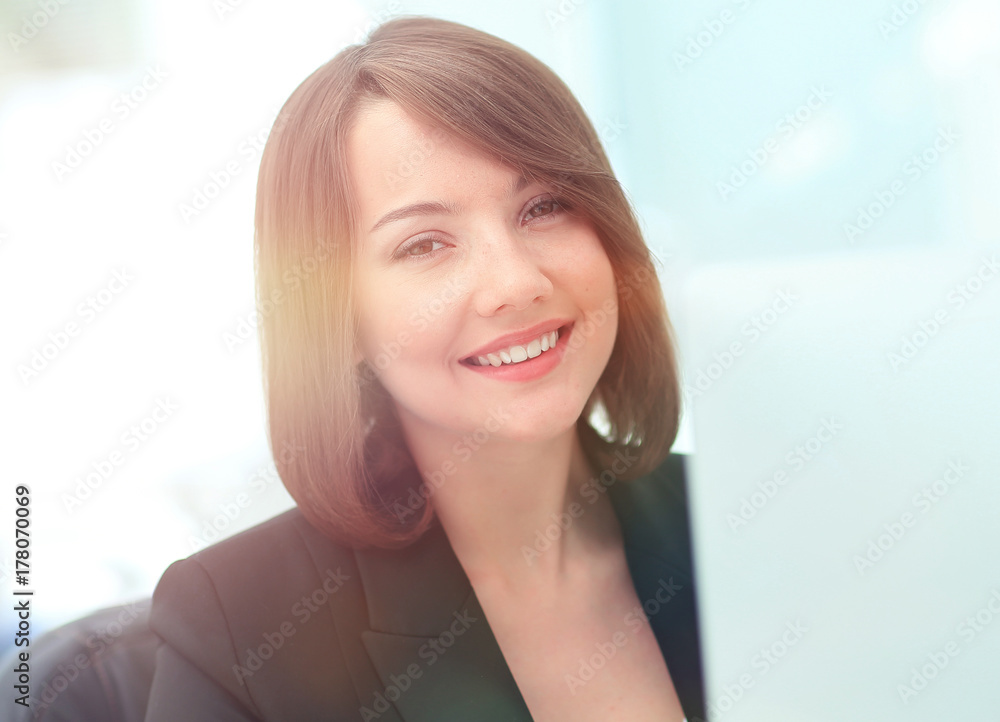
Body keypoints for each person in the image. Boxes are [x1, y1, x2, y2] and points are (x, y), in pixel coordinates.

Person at [144, 16, 705, 722]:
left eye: (544, 206)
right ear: (337, 319)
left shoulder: (738, 525)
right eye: (425, 245)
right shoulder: (239, 624)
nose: (514, 282)